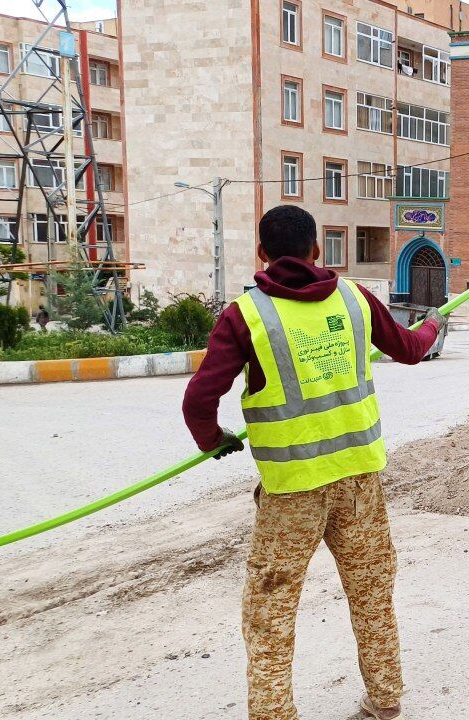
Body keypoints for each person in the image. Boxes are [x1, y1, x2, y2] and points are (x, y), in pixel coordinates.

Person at [182, 205, 444, 720]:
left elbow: (198, 401)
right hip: (359, 482)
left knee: (271, 612)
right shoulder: (353, 298)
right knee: (372, 594)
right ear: (317, 250)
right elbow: (410, 349)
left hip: (292, 493)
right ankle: (385, 703)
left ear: (261, 253)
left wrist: (214, 440)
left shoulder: (245, 316)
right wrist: (433, 326)